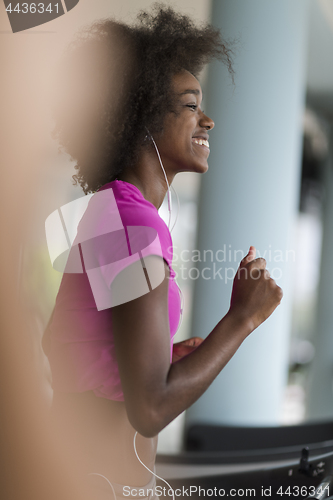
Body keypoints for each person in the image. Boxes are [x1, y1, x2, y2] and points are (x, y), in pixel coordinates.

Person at [43, 5, 283, 499]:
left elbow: (89, 355)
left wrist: (166, 356)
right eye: (192, 105)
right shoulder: (133, 224)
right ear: (144, 114)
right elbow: (149, 408)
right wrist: (242, 319)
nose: (209, 120)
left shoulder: (114, 212)